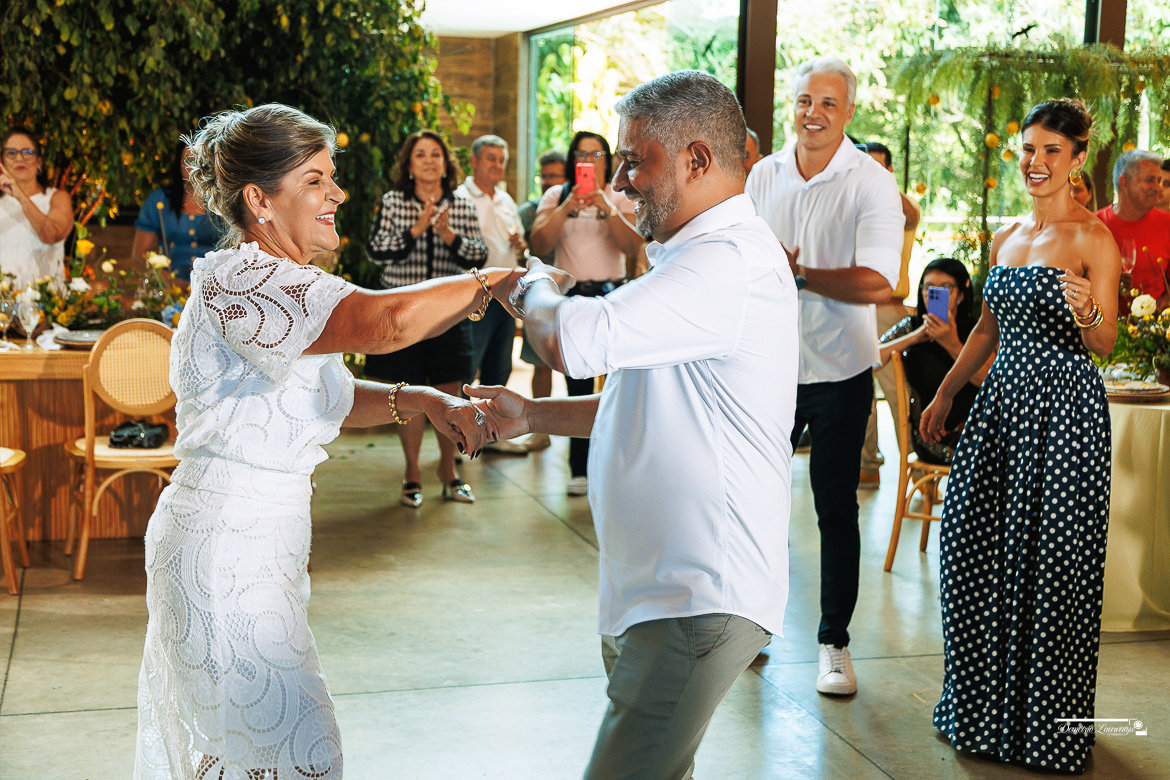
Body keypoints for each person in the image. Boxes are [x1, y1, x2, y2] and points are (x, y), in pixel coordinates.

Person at [134, 104, 515, 780]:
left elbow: (325, 399)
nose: (337, 193)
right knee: (298, 755)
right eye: (314, 180)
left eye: (331, 177)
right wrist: (496, 280)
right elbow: (387, 321)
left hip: (264, 542)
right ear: (259, 200)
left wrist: (422, 399)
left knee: (257, 760)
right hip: (224, 546)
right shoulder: (242, 281)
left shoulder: (288, 286)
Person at [470, 70, 796, 780]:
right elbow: (648, 401)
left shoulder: (726, 263)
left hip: (698, 593)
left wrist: (532, 282)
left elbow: (569, 340)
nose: (619, 180)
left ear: (697, 160)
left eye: (633, 160)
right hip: (653, 590)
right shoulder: (694, 259)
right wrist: (533, 414)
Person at [921, 99, 1120, 775]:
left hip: (1065, 417)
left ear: (1077, 159)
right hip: (1001, 410)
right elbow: (986, 328)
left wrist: (1086, 309)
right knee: (969, 547)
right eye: (1028, 149)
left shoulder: (1094, 238)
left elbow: (1105, 341)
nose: (1036, 162)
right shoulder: (1006, 236)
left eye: (1051, 151)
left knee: (1054, 567)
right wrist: (948, 392)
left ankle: (1046, 731)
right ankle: (979, 714)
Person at [746, 57, 903, 696]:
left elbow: (879, 282)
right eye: (804, 100)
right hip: (766, 366)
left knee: (835, 508)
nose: (813, 113)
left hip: (839, 368)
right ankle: (752, 625)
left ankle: (833, 644)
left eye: (828, 103)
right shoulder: (762, 174)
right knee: (753, 500)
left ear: (849, 112)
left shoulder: (872, 182)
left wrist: (801, 275)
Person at [365, 130, 489, 507]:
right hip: (404, 314)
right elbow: (376, 251)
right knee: (409, 394)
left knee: (450, 392)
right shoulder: (393, 202)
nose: (429, 161)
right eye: (420, 155)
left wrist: (448, 235)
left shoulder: (461, 205)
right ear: (409, 164)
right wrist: (416, 230)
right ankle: (412, 472)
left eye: (436, 154)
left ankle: (448, 470)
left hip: (449, 314)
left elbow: (478, 256)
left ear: (446, 163)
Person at [529, 131, 642, 495]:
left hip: (612, 294)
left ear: (607, 160)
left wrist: (605, 207)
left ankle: (616, 466)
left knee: (618, 385)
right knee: (577, 385)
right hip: (573, 297)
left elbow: (634, 246)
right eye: (581, 154)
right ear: (572, 159)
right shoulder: (556, 195)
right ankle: (580, 468)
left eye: (596, 154)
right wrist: (569, 205)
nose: (589, 161)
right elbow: (539, 243)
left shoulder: (620, 195)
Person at [455, 135, 530, 455]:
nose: (498, 165)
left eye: (502, 160)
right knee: (467, 367)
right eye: (491, 159)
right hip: (475, 295)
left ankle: (491, 434)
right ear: (473, 161)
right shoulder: (460, 198)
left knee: (499, 367)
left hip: (505, 296)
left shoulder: (506, 200)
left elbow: (520, 246)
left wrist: (521, 246)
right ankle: (458, 437)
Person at [877, 257, 992, 464]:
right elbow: (872, 360)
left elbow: (990, 381)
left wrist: (952, 344)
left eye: (945, 288)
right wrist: (915, 336)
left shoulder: (977, 332)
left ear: (961, 295)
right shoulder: (911, 327)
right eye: (928, 287)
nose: (935, 294)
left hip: (978, 430)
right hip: (931, 435)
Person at [857, 140, 922, 487]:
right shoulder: (855, 203)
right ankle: (867, 464)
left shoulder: (903, 206)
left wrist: (877, 183)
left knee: (897, 391)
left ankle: (920, 467)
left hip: (888, 310)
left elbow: (911, 215)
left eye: (878, 167)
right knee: (860, 394)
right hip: (853, 308)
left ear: (890, 170)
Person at [516, 149, 567, 453]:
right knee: (540, 364)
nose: (548, 182)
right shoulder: (528, 211)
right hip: (542, 295)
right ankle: (541, 430)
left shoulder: (581, 206)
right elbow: (521, 253)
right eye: (544, 176)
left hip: (574, 293)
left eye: (555, 176)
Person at [133, 144, 226, 281]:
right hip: (170, 287)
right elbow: (140, 253)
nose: (194, 166)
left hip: (214, 286)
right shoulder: (159, 199)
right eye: (189, 160)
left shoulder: (224, 201)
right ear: (179, 163)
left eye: (201, 160)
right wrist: (168, 282)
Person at [0, 127, 72, 289]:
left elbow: (51, 235)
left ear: (39, 163)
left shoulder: (56, 198)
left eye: (27, 152)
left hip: (46, 300)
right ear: (2, 163)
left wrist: (20, 196)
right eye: (11, 153)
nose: (19, 158)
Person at [1095, 149, 1169, 306]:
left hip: (1154, 320)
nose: (1158, 188)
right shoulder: (1094, 225)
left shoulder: (1167, 223)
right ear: (1124, 182)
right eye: (1150, 180)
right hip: (1103, 319)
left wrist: (1161, 305)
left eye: (1159, 180)